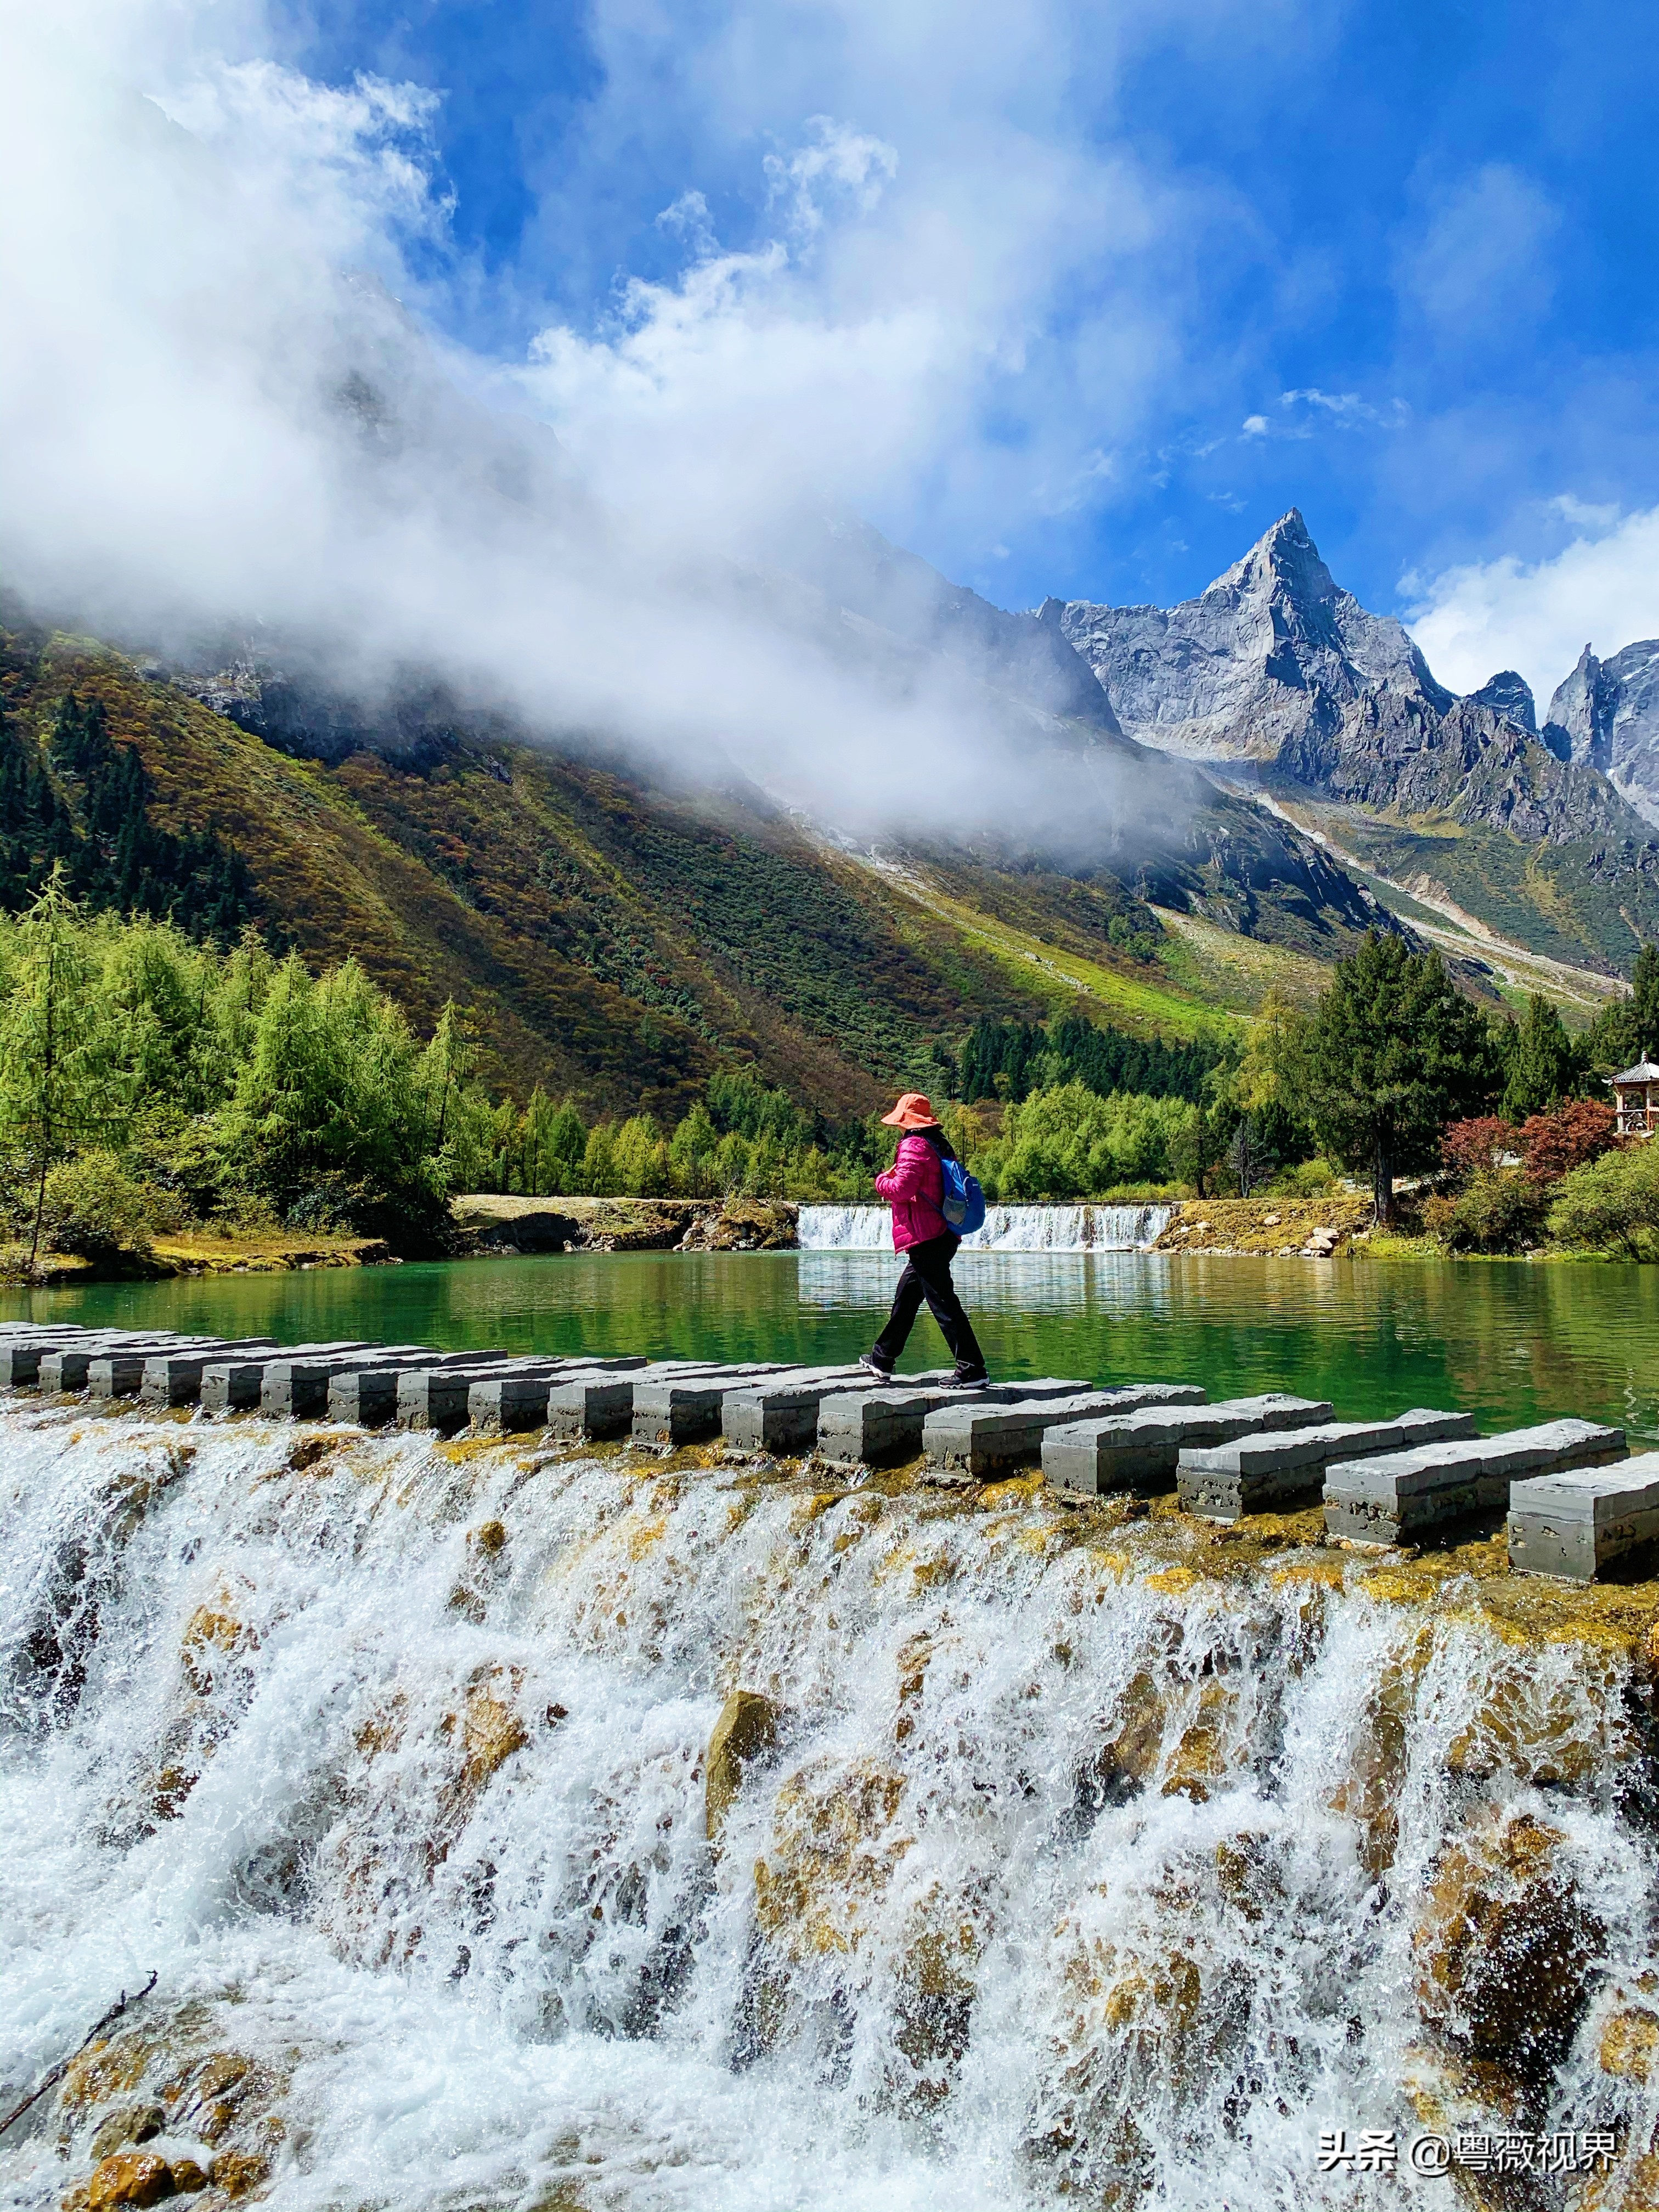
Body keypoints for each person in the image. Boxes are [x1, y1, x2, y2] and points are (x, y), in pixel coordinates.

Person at [861, 1092, 989, 1386]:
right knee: (906, 1299)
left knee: (944, 1304)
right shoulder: (938, 1144)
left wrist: (881, 1180)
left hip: (927, 1237)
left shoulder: (913, 1145)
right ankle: (882, 1358)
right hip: (942, 1233)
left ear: (907, 1122)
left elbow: (902, 1188)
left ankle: (972, 1369)